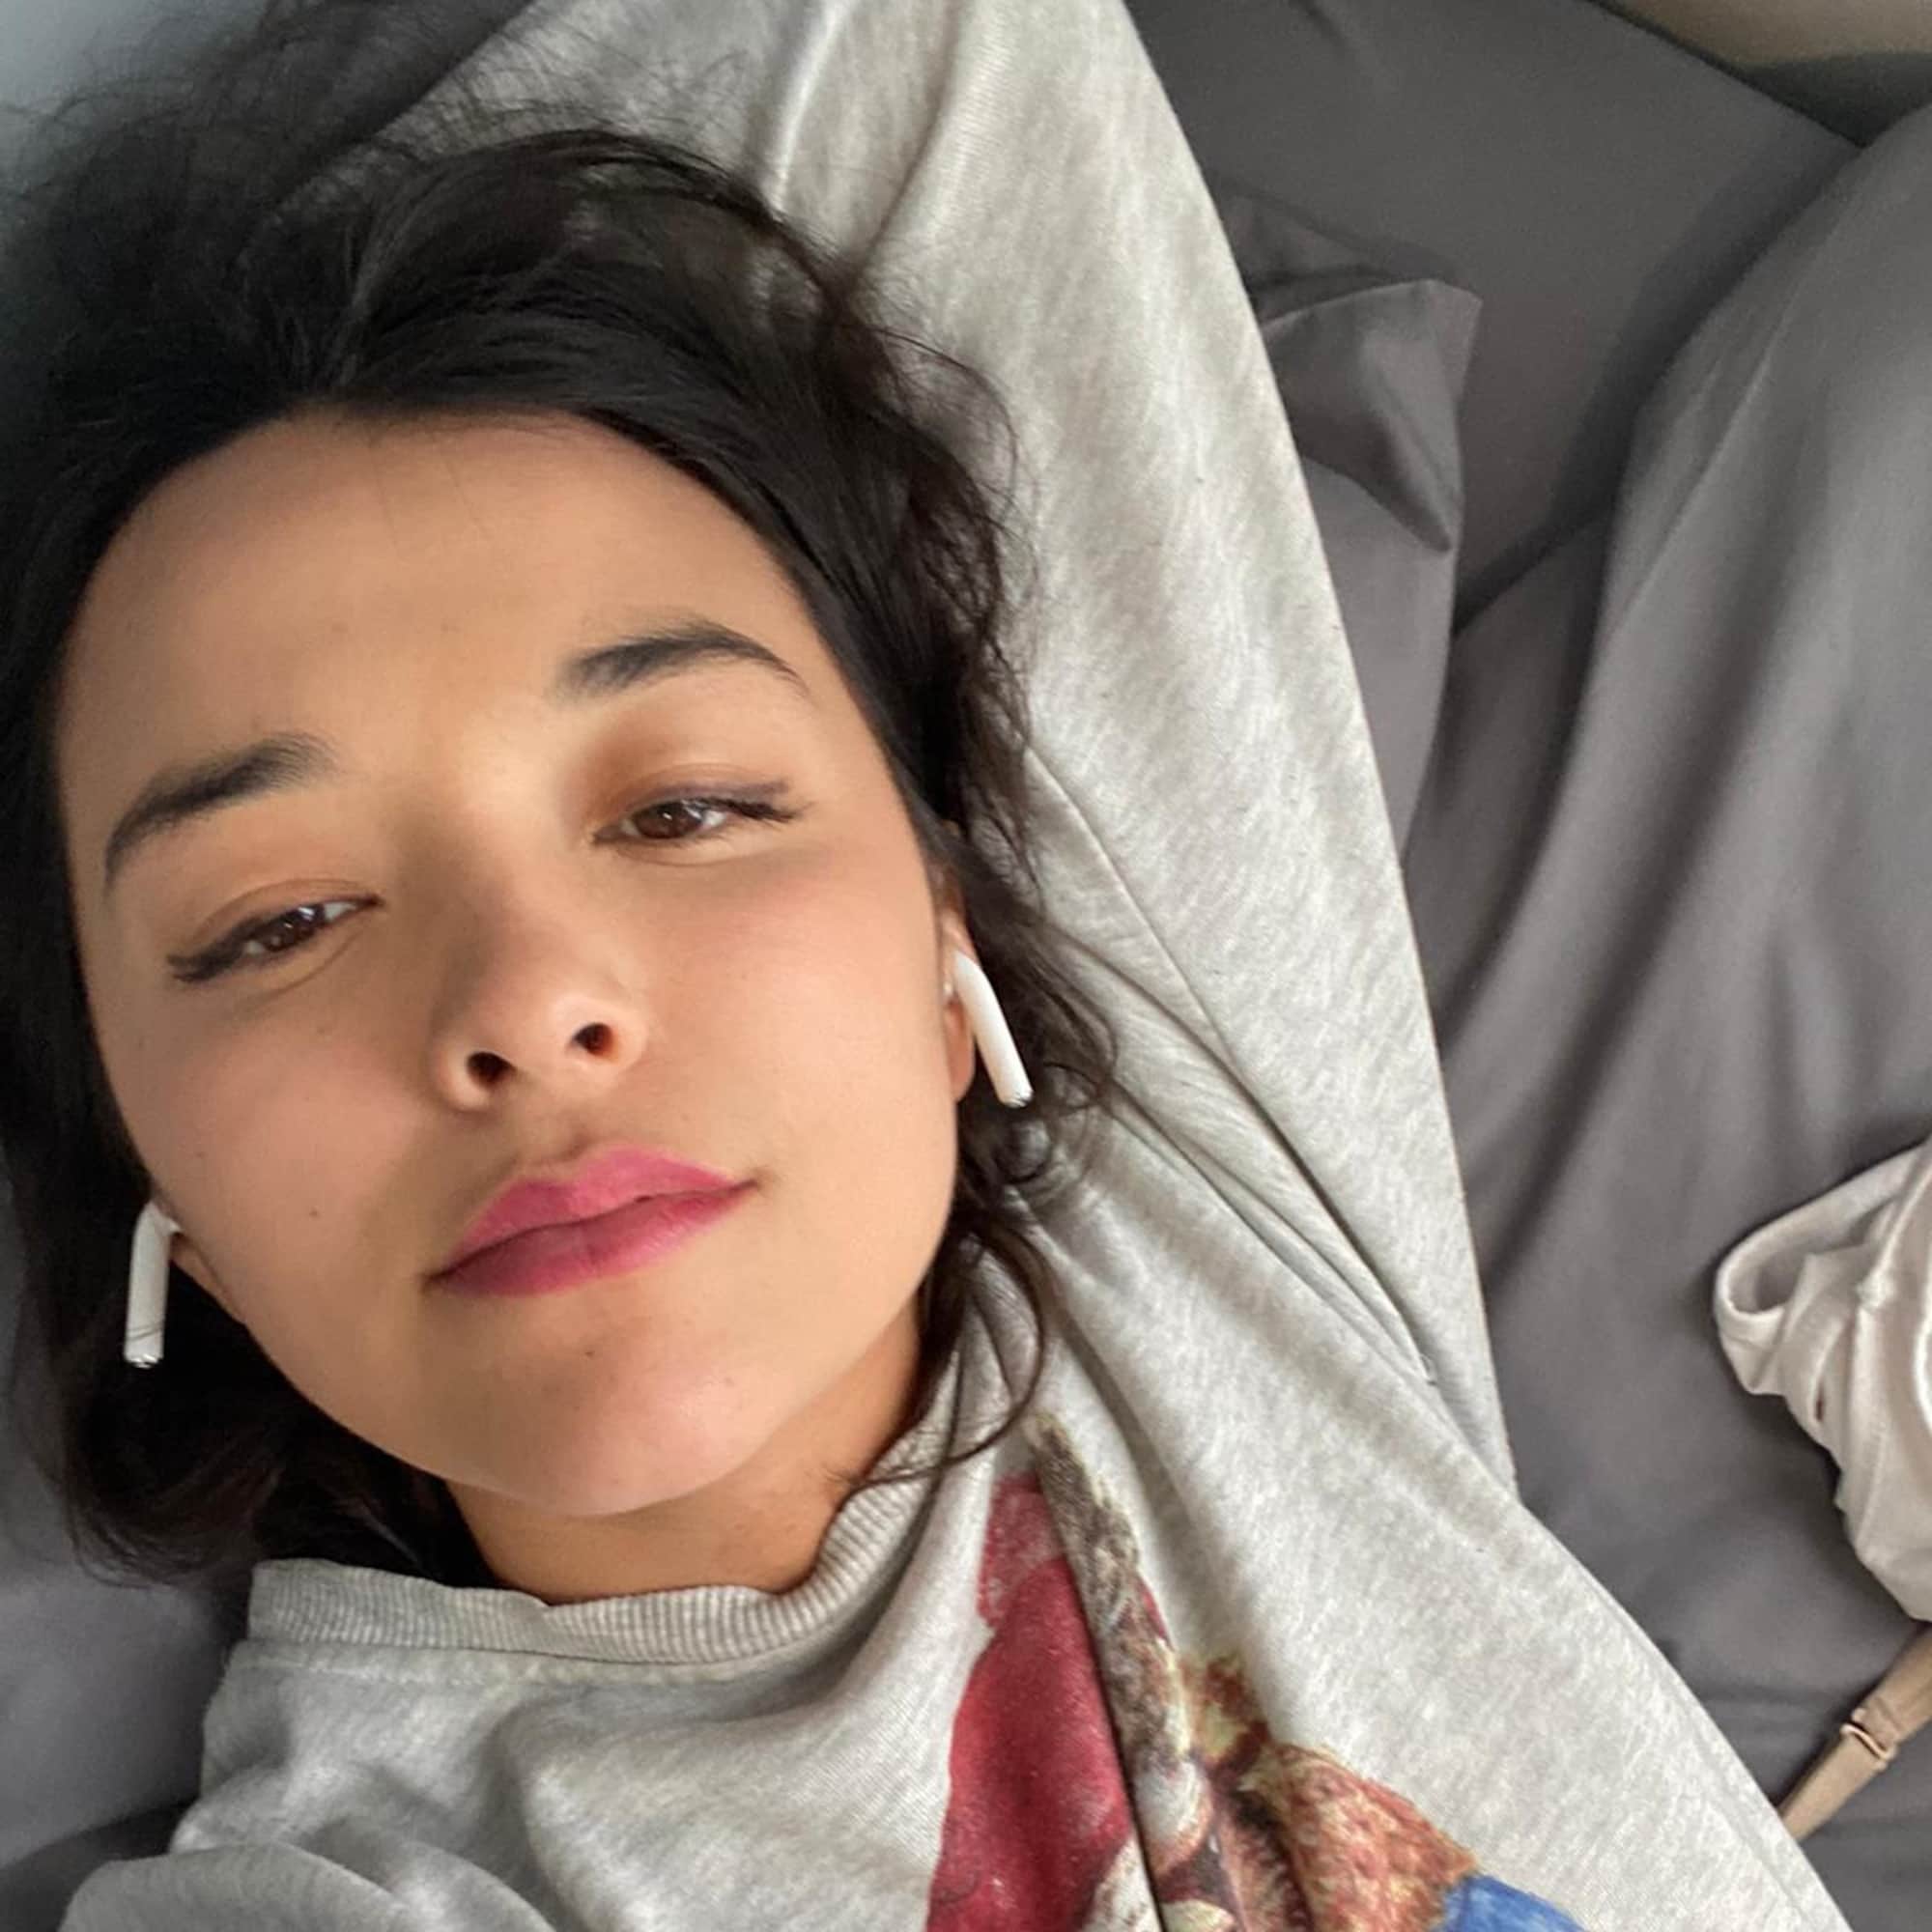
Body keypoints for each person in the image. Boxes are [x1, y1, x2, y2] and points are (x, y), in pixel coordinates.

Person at [0, 0, 1855, 1925]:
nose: (530, 1005)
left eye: (687, 807)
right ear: (164, 1196)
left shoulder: (1200, 1234)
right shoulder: (338, 1888)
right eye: (281, 920)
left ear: (946, 946)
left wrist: (324, 313)